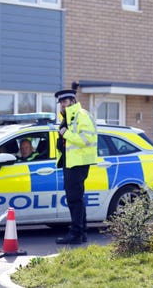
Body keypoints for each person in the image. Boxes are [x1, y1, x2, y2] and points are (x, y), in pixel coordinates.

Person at [54, 87, 98, 245]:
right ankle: (81, 233)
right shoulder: (69, 118)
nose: (62, 106)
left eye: (65, 102)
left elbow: (87, 139)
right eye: (60, 103)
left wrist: (65, 134)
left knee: (74, 200)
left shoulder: (82, 115)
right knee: (76, 199)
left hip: (78, 163)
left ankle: (76, 234)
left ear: (73, 101)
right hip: (71, 163)